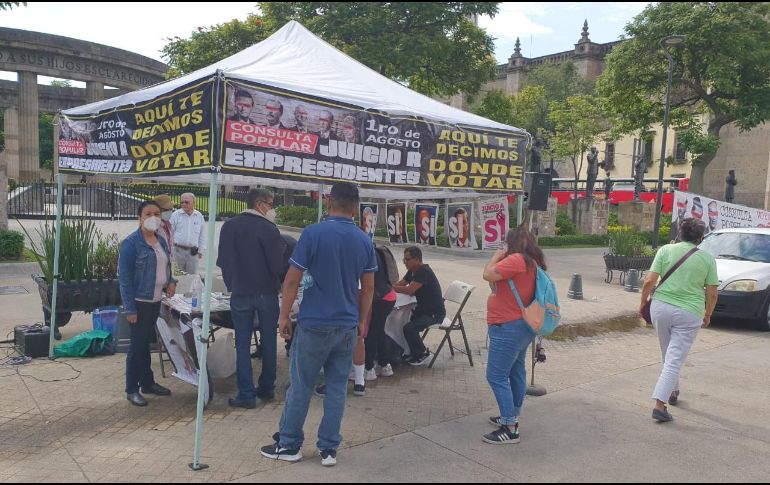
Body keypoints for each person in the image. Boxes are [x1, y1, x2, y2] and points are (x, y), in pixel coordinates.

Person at [260, 182, 376, 467]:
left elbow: (292, 279)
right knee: (336, 388)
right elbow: (368, 288)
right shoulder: (364, 240)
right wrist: (361, 321)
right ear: (355, 207)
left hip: (314, 324)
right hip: (346, 326)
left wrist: (283, 316)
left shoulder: (313, 233)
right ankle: (329, 448)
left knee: (301, 386)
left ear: (329, 201)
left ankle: (289, 444)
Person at [640, 218, 718, 422]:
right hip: (689, 312)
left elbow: (649, 281)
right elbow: (712, 293)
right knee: (674, 358)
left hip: (660, 308)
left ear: (680, 234)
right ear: (701, 237)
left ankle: (673, 391)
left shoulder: (665, 250)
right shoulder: (708, 259)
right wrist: (708, 314)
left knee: (667, 352)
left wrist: (643, 302)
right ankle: (660, 405)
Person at [217, 188, 286, 408]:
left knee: (242, 344)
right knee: (269, 342)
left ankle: (246, 393)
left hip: (240, 292)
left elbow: (223, 261)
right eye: (271, 204)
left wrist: (232, 284)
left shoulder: (229, 226)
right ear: (259, 204)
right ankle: (267, 387)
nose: (272, 209)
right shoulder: (269, 229)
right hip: (266, 293)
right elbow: (277, 266)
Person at [480, 226, 544, 444]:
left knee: (496, 376)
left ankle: (510, 427)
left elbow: (487, 274)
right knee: (516, 371)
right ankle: (511, 414)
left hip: (507, 326)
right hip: (521, 325)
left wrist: (497, 254)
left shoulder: (516, 260)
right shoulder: (531, 262)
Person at [118, 200, 177, 407]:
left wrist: (171, 281)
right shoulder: (131, 244)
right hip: (139, 302)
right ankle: (131, 388)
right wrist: (130, 309)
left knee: (146, 343)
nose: (153, 218)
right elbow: (125, 280)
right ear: (140, 218)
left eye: (157, 214)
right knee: (137, 346)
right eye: (148, 214)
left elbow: (167, 266)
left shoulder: (160, 240)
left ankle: (147, 383)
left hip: (155, 300)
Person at [393, 246, 445, 366]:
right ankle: (409, 351)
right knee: (401, 322)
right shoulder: (413, 270)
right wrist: (391, 287)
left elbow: (409, 290)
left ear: (417, 259)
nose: (405, 262)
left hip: (434, 314)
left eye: (407, 259)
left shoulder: (423, 271)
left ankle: (422, 353)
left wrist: (390, 288)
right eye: (404, 259)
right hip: (422, 310)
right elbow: (401, 284)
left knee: (409, 328)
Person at [364, 244, 398, 380]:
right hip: (388, 295)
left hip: (379, 298)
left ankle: (369, 368)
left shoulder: (367, 253)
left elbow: (370, 284)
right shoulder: (374, 251)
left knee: (371, 333)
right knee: (378, 331)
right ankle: (385, 365)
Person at [170, 193, 206, 275]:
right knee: (178, 276)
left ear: (194, 203)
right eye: (182, 202)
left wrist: (200, 250)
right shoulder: (175, 215)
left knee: (191, 276)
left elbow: (202, 234)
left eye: (186, 202)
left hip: (193, 252)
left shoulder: (199, 216)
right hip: (178, 251)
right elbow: (170, 234)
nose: (184, 204)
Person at [152, 194, 175, 263]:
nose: (170, 211)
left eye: (171, 209)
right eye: (167, 210)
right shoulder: (152, 227)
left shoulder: (168, 224)